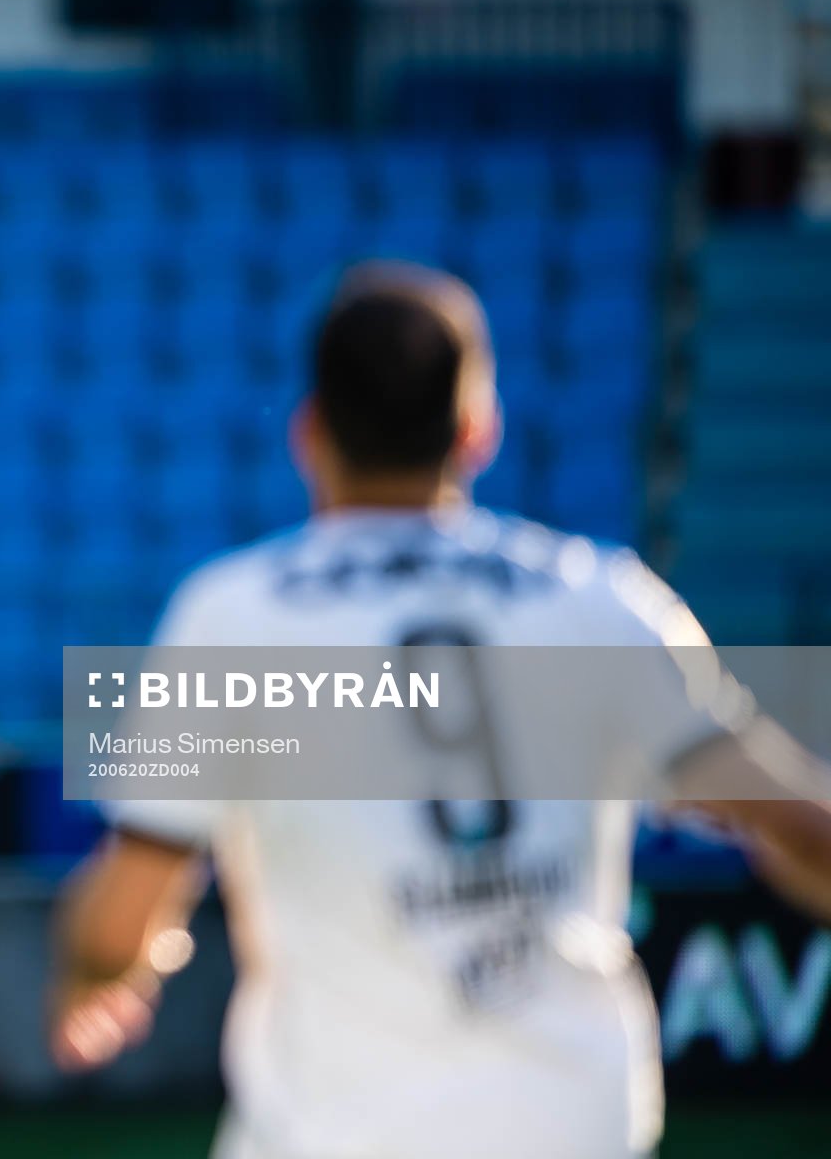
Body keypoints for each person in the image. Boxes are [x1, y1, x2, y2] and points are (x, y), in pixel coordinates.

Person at [48, 261, 831, 1159]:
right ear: (477, 429)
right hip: (570, 1125)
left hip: (341, 1133)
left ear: (309, 434)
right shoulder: (597, 598)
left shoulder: (237, 615)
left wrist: (90, 975)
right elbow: (801, 827)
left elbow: (127, 909)